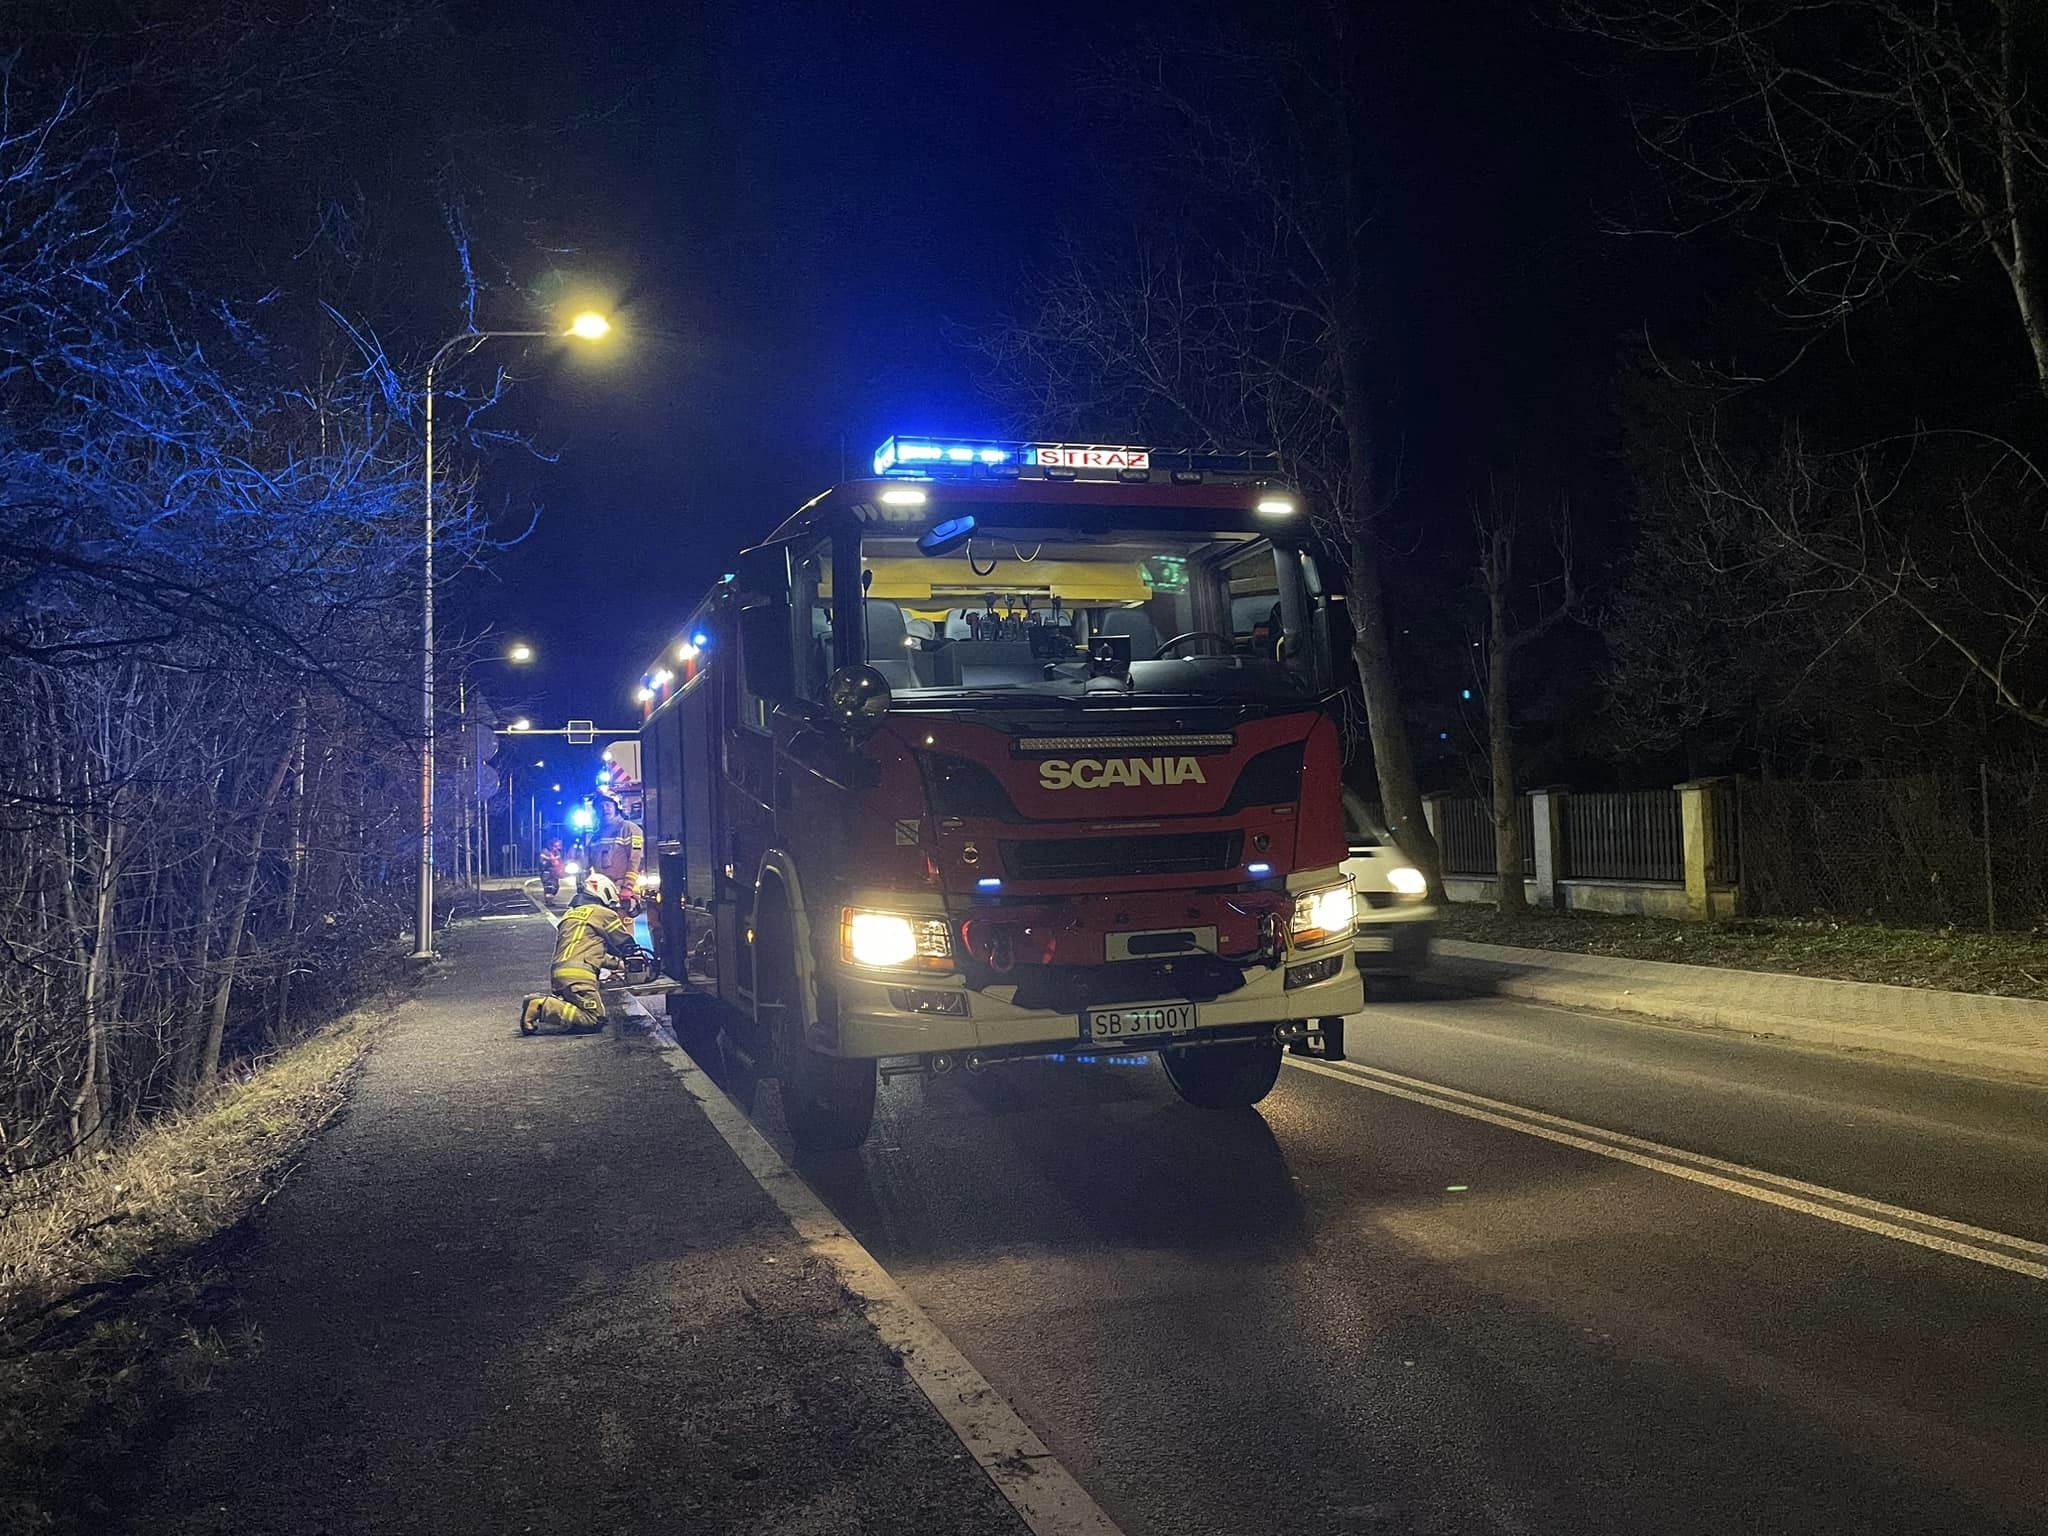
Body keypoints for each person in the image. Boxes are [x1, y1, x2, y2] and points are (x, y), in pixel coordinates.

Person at [520, 871, 646, 1035]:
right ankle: (541, 1005)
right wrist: (638, 961)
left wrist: (618, 964)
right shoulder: (603, 913)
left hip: (560, 972)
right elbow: (625, 943)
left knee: (578, 1012)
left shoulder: (571, 915)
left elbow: (589, 952)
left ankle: (535, 1002)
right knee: (594, 1019)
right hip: (580, 976)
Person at [589, 792, 644, 905]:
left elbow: (636, 860)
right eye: (600, 806)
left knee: (621, 917)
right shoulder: (596, 835)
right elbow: (586, 863)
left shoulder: (629, 829)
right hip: (601, 890)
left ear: (616, 807)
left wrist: (628, 887)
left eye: (608, 805)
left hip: (623, 889)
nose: (604, 809)